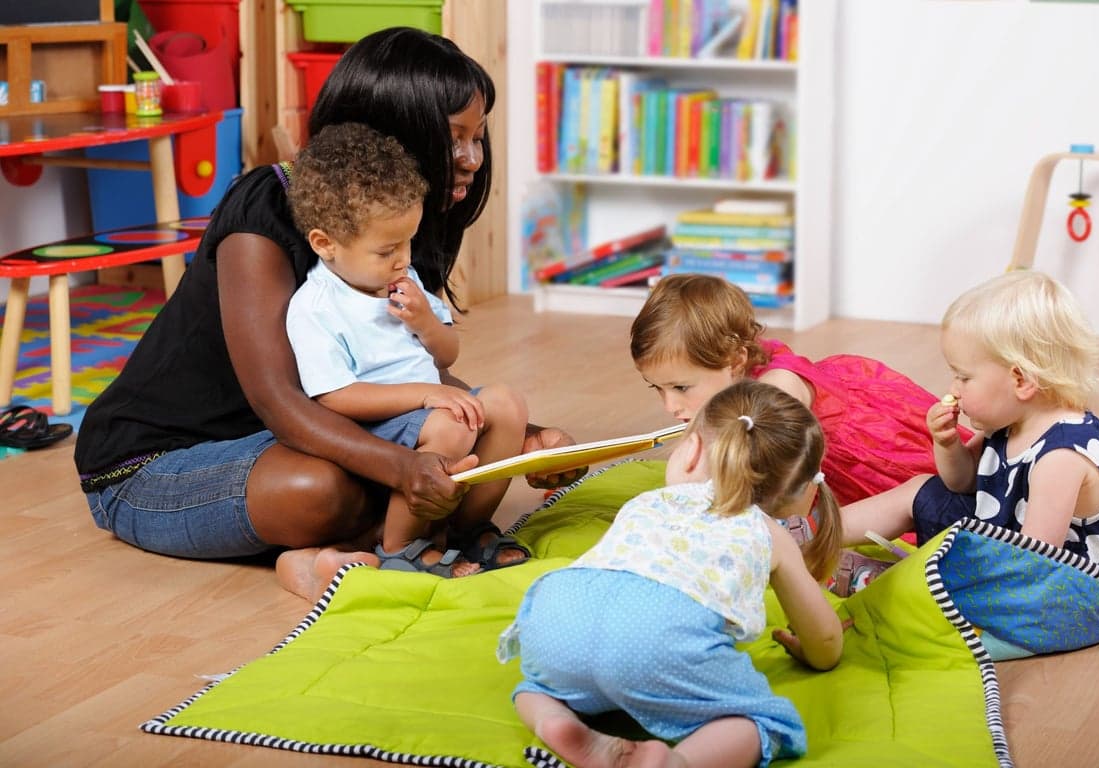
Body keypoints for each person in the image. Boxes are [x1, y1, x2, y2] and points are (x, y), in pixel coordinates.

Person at [73, 28, 578, 592]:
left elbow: (399, 367)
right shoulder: (265, 206)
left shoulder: (397, 225)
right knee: (328, 487)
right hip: (158, 464)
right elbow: (279, 398)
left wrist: (523, 441)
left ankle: (345, 554)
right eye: (455, 138)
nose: (473, 159)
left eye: (478, 137)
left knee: (439, 446)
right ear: (396, 134)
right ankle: (368, 546)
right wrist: (403, 467)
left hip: (293, 439)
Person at [498, 380, 845, 768]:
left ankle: (553, 720)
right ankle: (677, 762)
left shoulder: (645, 502)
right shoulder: (768, 532)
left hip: (558, 617)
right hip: (658, 638)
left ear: (691, 451)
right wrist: (811, 650)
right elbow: (826, 644)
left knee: (534, 688)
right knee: (765, 723)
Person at [285, 122, 530, 578]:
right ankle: (401, 548)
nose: (404, 258)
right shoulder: (316, 307)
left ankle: (469, 528)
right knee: (453, 427)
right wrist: (426, 394)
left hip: (428, 412)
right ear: (325, 244)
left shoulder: (405, 280)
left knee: (506, 404)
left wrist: (425, 323)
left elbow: (446, 355)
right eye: (387, 250)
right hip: (378, 427)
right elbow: (333, 397)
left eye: (408, 242)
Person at [629, 273, 969, 586]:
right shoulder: (728, 373)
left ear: (735, 361)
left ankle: (847, 563)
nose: (669, 405)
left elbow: (781, 469)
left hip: (850, 451)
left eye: (681, 388)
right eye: (657, 388)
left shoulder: (777, 393)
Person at [841, 270, 1099, 574]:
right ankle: (818, 534)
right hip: (1004, 546)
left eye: (963, 377)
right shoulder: (1012, 422)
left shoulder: (1061, 456)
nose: (954, 389)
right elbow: (962, 482)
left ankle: (893, 576)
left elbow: (1032, 566)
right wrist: (947, 443)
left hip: (1058, 584)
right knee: (921, 490)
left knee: (950, 559)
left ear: (1021, 380)